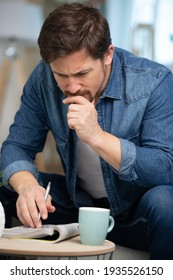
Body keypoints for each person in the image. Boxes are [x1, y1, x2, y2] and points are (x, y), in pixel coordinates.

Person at [0, 1, 173, 260]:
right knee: (8, 183)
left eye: (82, 73)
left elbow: (164, 167)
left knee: (166, 203)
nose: (72, 86)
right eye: (61, 75)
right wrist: (26, 187)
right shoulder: (43, 78)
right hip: (77, 204)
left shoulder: (154, 81)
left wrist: (97, 136)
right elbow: (17, 146)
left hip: (135, 214)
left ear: (108, 54)